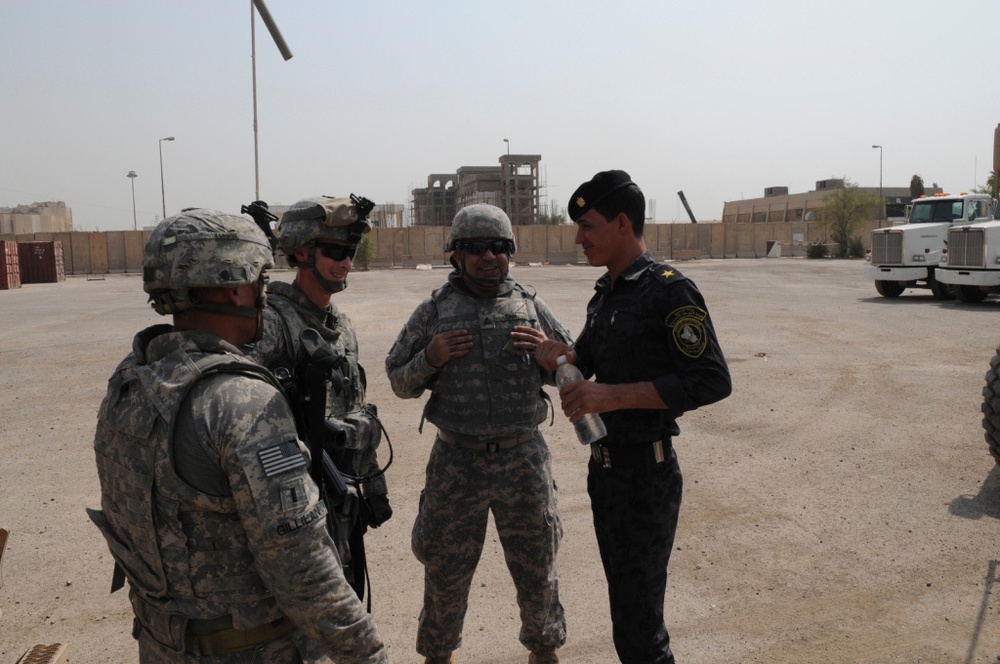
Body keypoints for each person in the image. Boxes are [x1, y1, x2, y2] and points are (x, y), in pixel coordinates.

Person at [86, 209, 388, 663]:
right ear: (233, 286)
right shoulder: (240, 402)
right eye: (259, 280)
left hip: (163, 644)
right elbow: (302, 567)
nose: (265, 294)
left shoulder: (131, 381)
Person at [535, 171, 732, 664]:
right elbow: (590, 364)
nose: (579, 238)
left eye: (587, 225)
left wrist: (612, 397)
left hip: (647, 477)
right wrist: (558, 358)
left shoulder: (669, 291)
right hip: (607, 475)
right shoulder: (606, 294)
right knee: (627, 617)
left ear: (623, 223)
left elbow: (710, 380)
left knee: (642, 630)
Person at [385, 204, 571, 664]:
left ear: (511, 252)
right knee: (445, 571)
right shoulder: (434, 312)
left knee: (538, 569)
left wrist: (554, 360)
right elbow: (398, 382)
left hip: (523, 460)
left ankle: (544, 650)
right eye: (477, 248)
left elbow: (575, 369)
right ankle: (438, 654)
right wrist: (430, 356)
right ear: (456, 255)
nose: (490, 257)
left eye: (500, 247)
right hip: (457, 464)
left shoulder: (531, 307)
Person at [248, 195, 391, 601]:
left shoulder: (341, 326)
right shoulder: (274, 323)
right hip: (296, 507)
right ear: (301, 253)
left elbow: (358, 409)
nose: (346, 262)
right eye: (335, 252)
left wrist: (374, 490)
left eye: (350, 252)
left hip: (342, 497)